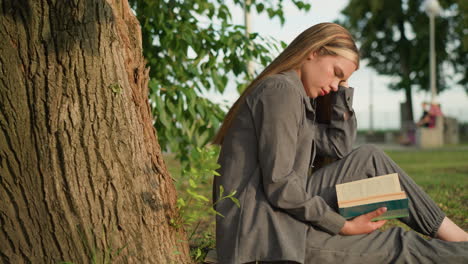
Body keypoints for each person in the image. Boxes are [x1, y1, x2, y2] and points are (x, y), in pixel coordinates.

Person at [212, 23, 468, 264]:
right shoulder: (281, 91)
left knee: (369, 156)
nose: (334, 85)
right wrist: (343, 226)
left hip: (276, 216)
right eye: (336, 74)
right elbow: (280, 183)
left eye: (341, 80)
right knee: (400, 243)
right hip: (264, 232)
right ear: (314, 52)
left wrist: (342, 91)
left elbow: (338, 146)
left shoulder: (296, 95)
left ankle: (460, 239)